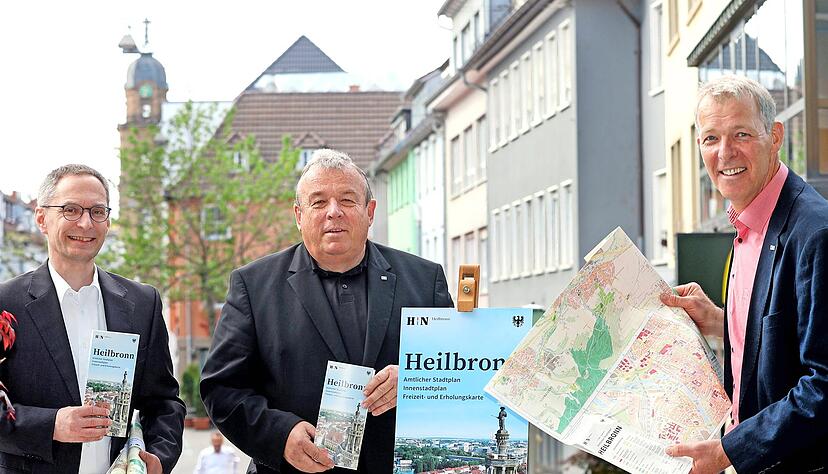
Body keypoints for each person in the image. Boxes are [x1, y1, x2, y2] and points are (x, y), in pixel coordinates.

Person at [200, 149, 453, 473]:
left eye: (347, 200)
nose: (334, 212)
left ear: (370, 211)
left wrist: (416, 380)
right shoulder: (253, 286)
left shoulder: (424, 280)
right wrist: (280, 436)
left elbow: (459, 371)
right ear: (299, 215)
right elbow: (222, 388)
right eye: (318, 202)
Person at [662, 76, 828, 473]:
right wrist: (721, 321)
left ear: (775, 137)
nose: (725, 153)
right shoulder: (748, 221)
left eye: (741, 134)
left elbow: (823, 385)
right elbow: (790, 337)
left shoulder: (815, 233)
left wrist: (727, 452)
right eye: (711, 138)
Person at [0, 164, 185, 473]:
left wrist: (158, 457)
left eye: (97, 211)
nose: (86, 223)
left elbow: (164, 403)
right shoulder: (6, 304)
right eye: (71, 210)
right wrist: (52, 424)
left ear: (108, 222)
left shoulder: (143, 303)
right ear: (42, 219)